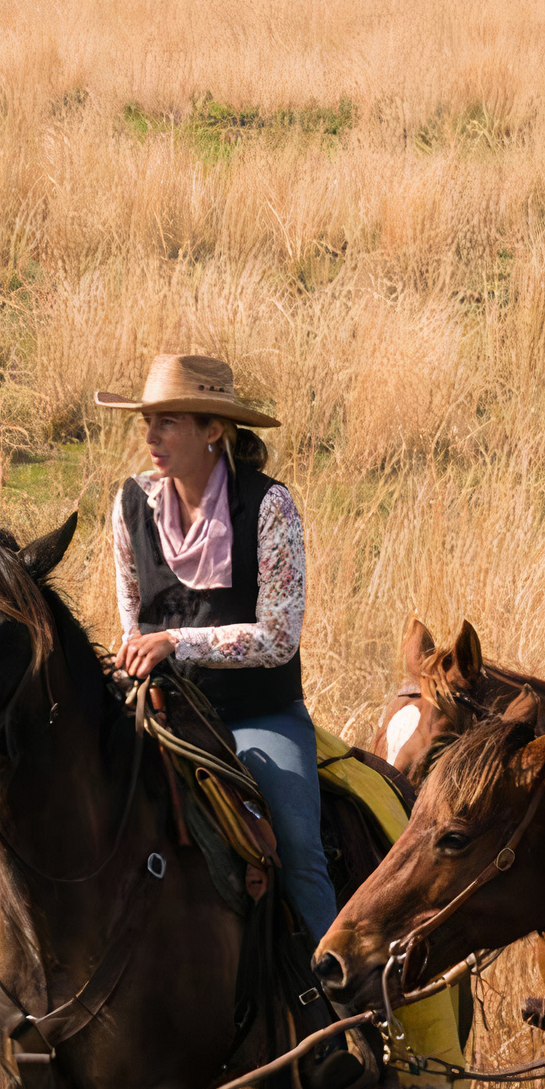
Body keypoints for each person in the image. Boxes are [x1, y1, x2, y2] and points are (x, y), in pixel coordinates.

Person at [98, 352, 337, 945]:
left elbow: (278, 639)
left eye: (169, 421)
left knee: (300, 849)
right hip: (159, 713)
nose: (150, 436)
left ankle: (340, 1013)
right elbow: (133, 627)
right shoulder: (130, 506)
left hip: (256, 716)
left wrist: (177, 641)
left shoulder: (270, 507)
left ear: (214, 430)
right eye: (147, 420)